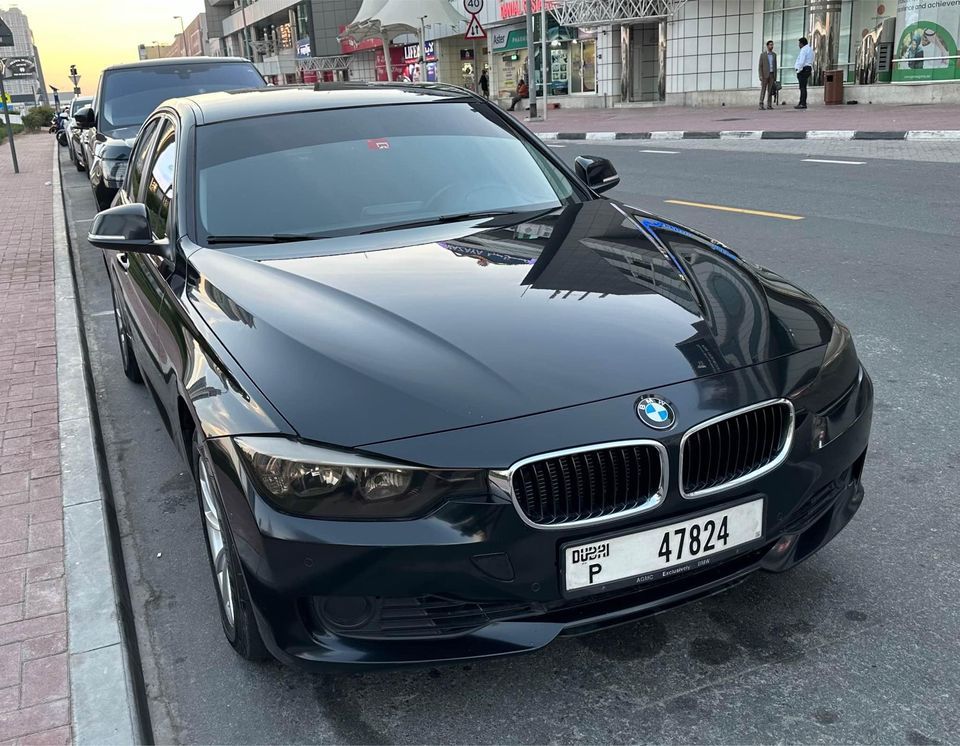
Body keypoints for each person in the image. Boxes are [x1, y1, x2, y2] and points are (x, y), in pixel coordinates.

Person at [758, 40, 778, 110]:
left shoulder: (774, 55)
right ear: (767, 46)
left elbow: (775, 66)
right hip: (764, 75)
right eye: (770, 45)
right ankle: (761, 104)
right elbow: (760, 66)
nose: (771, 46)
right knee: (763, 90)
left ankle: (769, 105)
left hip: (772, 75)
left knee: (770, 90)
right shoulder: (763, 55)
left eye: (772, 45)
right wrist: (760, 75)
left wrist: (775, 76)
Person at [795, 36, 813, 109]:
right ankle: (802, 102)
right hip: (808, 68)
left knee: (802, 87)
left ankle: (802, 103)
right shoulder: (810, 49)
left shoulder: (803, 50)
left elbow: (801, 61)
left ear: (802, 44)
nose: (799, 45)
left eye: (799, 43)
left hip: (803, 69)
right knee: (804, 87)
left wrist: (798, 70)